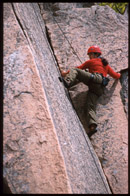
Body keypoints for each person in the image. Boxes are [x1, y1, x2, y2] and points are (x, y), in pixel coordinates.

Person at [61, 45, 121, 138]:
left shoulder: (92, 61)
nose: (89, 57)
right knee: (90, 106)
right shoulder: (106, 65)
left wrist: (65, 73)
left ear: (94, 54)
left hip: (94, 79)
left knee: (75, 70)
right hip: (99, 89)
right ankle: (92, 126)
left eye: (90, 55)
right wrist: (119, 75)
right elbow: (115, 76)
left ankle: (68, 81)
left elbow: (78, 68)